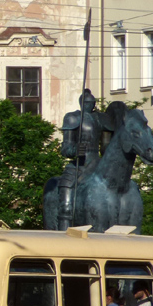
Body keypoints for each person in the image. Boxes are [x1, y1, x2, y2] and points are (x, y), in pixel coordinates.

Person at [55, 89, 112, 230]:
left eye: (92, 103)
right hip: (79, 165)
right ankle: (63, 232)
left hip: (97, 163)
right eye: (87, 102)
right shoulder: (73, 118)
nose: (90, 105)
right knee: (66, 204)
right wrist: (74, 150)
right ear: (81, 103)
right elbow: (65, 148)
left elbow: (106, 147)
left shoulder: (101, 119)